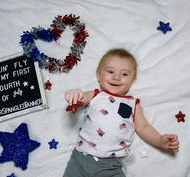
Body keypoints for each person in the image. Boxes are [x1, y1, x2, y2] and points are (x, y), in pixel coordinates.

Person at [63, 48, 179, 177]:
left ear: (133, 80)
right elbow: (81, 98)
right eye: (110, 71)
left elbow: (144, 127)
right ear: (98, 75)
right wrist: (75, 94)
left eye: (124, 74)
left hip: (110, 166)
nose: (116, 77)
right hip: (80, 159)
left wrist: (160, 140)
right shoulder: (96, 95)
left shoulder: (133, 105)